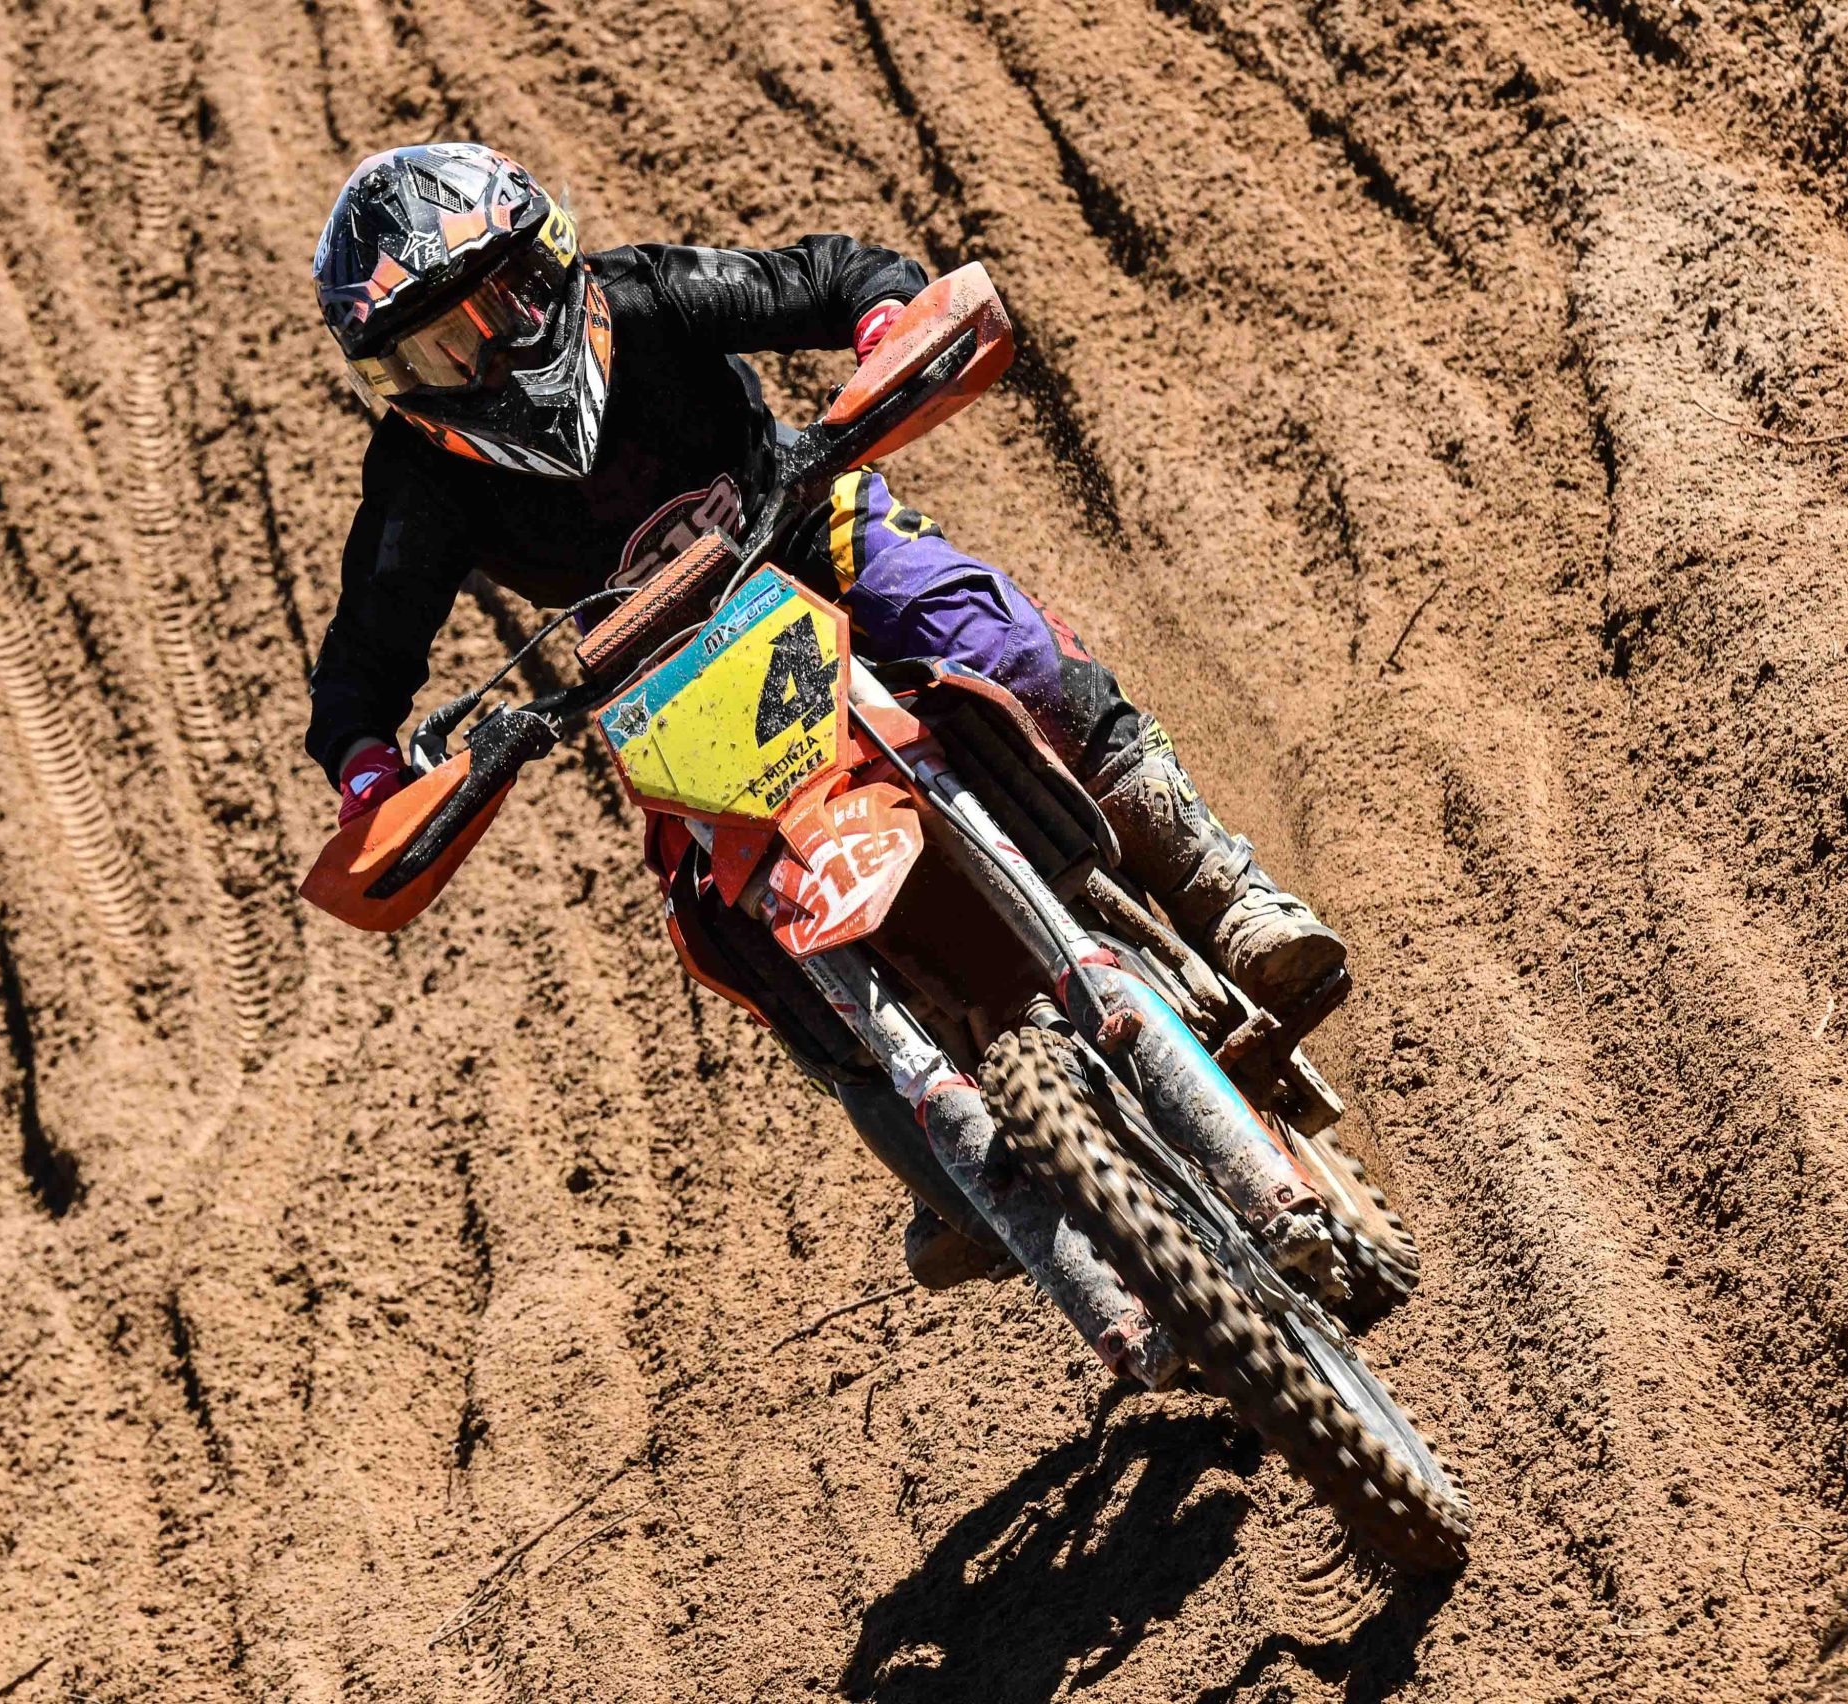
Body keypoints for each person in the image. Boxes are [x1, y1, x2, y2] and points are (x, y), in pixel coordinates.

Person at [306, 143, 1345, 1286]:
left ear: (544, 263)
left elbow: (832, 275)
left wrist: (881, 325)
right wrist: (370, 769)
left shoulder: (646, 297)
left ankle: (1222, 889)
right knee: (721, 922)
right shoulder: (419, 478)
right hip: (660, 683)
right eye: (436, 349)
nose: (482, 356)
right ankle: (941, 1163)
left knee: (992, 641)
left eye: (492, 308)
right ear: (394, 378)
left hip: (811, 540)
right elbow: (361, 662)